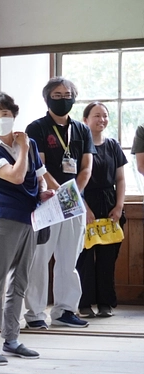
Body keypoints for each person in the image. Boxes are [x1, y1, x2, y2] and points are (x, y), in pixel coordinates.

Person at [0, 92, 52, 365]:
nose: (2, 120)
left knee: (19, 282)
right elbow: (18, 176)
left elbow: (39, 178)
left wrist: (43, 192)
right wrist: (23, 149)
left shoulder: (26, 143)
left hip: (30, 219)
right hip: (3, 221)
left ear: (14, 116)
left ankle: (11, 339)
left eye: (6, 114)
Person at [23, 77, 94, 329]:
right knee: (40, 258)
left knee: (69, 258)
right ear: (47, 98)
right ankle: (35, 314)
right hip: (47, 201)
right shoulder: (37, 128)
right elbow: (39, 167)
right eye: (57, 94)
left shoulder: (82, 129)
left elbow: (86, 166)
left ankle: (65, 310)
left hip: (75, 201)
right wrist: (58, 191)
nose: (63, 99)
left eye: (68, 95)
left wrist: (76, 193)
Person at [77, 102, 127, 319]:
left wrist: (119, 206)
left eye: (105, 116)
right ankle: (84, 303)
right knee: (84, 258)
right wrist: (84, 208)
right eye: (96, 115)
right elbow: (73, 181)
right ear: (86, 119)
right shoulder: (78, 146)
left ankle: (106, 303)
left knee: (107, 258)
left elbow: (121, 178)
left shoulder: (113, 145)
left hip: (109, 205)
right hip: (84, 202)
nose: (102, 120)